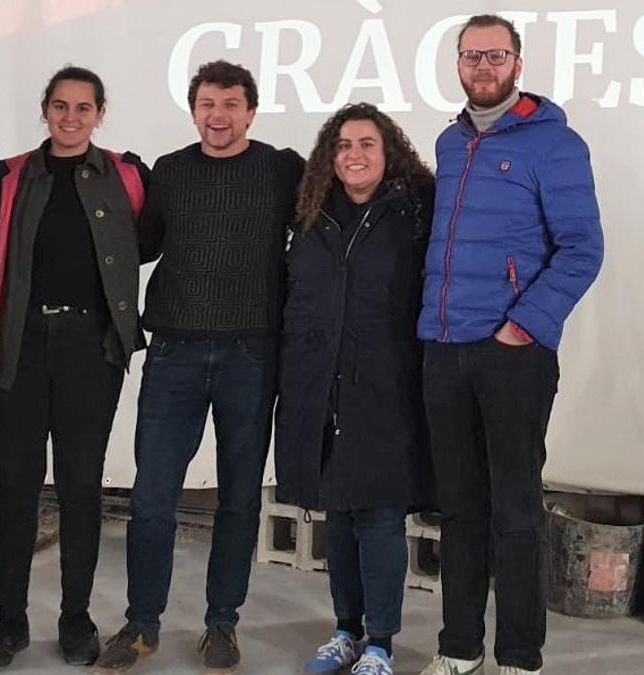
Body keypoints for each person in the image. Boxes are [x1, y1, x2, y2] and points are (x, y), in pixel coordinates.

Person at [93, 60, 304, 675]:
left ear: (251, 111)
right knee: (153, 495)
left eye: (231, 104)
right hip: (175, 352)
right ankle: (140, 625)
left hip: (251, 353)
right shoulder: (171, 171)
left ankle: (222, 624)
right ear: (194, 111)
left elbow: (318, 232)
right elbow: (142, 247)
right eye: (208, 104)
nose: (219, 115)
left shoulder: (281, 169)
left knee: (239, 498)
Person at [415, 14, 604, 675]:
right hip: (443, 350)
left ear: (518, 64)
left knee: (515, 509)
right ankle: (459, 647)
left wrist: (522, 326)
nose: (483, 67)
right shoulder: (447, 142)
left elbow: (583, 248)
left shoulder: (554, 144)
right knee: (460, 508)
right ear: (458, 65)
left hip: (511, 355)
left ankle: (521, 656)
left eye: (495, 55)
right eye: (471, 56)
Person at [0, 65, 148, 672]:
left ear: (100, 113)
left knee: (80, 487)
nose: (71, 118)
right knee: (15, 486)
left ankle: (75, 619)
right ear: (45, 109)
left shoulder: (125, 176)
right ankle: (9, 623)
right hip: (17, 346)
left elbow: (145, 244)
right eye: (60, 106)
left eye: (83, 108)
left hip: (90, 352)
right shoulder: (10, 175)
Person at [274, 103, 434, 675]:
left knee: (380, 517)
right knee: (337, 514)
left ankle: (380, 645)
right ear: (329, 156)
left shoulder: (415, 213)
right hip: (321, 383)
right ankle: (344, 630)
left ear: (387, 152)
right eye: (342, 145)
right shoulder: (312, 214)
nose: (354, 154)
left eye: (366, 143)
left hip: (387, 386)